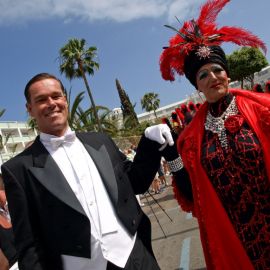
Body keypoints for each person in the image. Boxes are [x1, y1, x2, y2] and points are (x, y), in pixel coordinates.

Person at [1, 73, 169, 270]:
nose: (51, 103)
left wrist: (148, 145)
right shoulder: (17, 169)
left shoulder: (100, 141)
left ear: (65, 99)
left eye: (56, 96)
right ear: (30, 109)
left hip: (135, 256)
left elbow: (135, 183)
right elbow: (29, 245)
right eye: (41, 100)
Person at [159, 0, 270, 269]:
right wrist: (171, 154)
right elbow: (191, 194)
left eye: (217, 70)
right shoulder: (190, 138)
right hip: (234, 237)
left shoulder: (261, 109)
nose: (213, 77)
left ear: (227, 74)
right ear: (197, 85)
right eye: (203, 74)